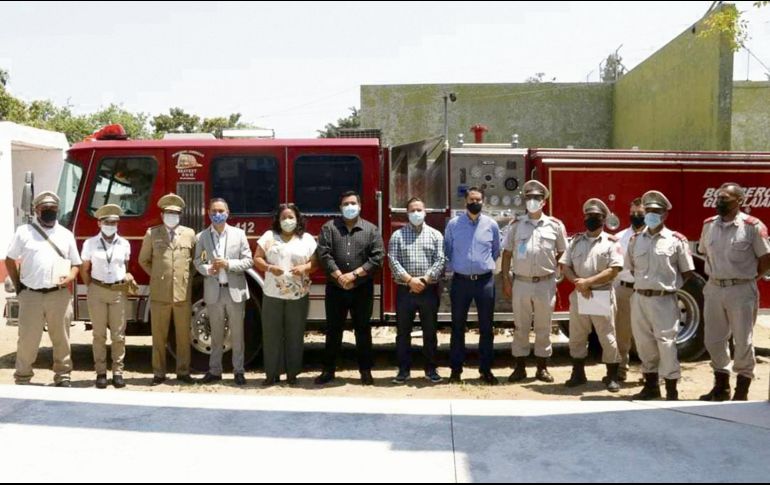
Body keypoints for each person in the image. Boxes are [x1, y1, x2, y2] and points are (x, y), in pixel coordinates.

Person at [698, 183, 770, 401]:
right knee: (713, 339)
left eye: (725, 198)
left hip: (741, 289)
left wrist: (749, 277)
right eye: (718, 198)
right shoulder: (708, 225)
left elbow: (765, 259)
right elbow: (703, 251)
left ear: (739, 201)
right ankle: (721, 386)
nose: (720, 202)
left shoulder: (752, 226)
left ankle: (742, 390)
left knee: (743, 341)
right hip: (714, 288)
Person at [5, 191, 81, 387]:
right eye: (45, 208)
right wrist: (18, 286)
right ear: (36, 210)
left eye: (53, 208)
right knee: (27, 340)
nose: (49, 211)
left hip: (59, 296)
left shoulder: (66, 234)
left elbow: (76, 264)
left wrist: (71, 277)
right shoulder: (23, 232)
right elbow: (9, 259)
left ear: (58, 210)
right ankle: (23, 376)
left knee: (62, 339)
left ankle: (63, 375)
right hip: (31, 295)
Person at [625, 190, 694, 401]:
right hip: (639, 298)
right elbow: (630, 267)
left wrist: (669, 288)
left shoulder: (676, 240)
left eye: (656, 211)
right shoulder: (636, 239)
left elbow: (688, 272)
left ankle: (672, 390)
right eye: (649, 211)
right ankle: (651, 386)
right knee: (644, 344)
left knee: (667, 345)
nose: (651, 215)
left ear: (665, 215)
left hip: (664, 300)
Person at [315, 191, 384, 386]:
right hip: (335, 288)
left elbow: (377, 258)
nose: (350, 207)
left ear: (360, 206)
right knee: (333, 330)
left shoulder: (371, 230)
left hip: (361, 288)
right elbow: (324, 254)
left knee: (363, 330)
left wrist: (354, 275)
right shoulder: (329, 228)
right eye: (346, 204)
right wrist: (339, 276)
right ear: (340, 207)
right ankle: (328, 370)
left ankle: (365, 371)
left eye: (353, 203)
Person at [501, 180, 567, 383]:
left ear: (543, 202)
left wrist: (557, 274)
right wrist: (506, 279)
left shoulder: (555, 226)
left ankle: (542, 368)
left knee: (543, 327)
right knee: (520, 326)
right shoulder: (516, 225)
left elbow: (563, 252)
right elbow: (507, 253)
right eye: (529, 198)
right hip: (521, 282)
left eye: (536, 198)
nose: (532, 201)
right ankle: (519, 367)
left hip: (545, 283)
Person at [560, 198, 624, 393]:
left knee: (607, 337)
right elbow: (565, 266)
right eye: (588, 216)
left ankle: (612, 376)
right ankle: (578, 374)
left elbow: (614, 270)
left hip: (600, 294)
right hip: (580, 294)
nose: (591, 219)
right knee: (577, 337)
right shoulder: (575, 241)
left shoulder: (610, 242)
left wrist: (588, 282)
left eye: (595, 216)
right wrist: (578, 283)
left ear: (603, 219)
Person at [254, 203, 317, 386]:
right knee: (271, 334)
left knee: (295, 334)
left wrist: (304, 268)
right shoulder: (269, 236)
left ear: (297, 219)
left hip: (298, 295)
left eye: (291, 217)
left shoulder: (306, 239)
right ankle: (271, 374)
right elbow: (256, 258)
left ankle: (292, 375)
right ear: (278, 220)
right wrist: (269, 267)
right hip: (272, 293)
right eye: (284, 218)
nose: (287, 221)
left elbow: (315, 263)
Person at [444, 187, 501, 385]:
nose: (474, 202)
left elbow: (496, 251)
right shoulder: (453, 224)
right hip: (460, 282)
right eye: (471, 199)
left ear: (483, 202)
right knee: (458, 327)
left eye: (478, 199)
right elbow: (448, 250)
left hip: (485, 282)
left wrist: (481, 265)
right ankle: (455, 371)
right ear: (465, 201)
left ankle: (485, 370)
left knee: (486, 328)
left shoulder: (491, 225)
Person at [139, 193, 197, 386]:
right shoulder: (152, 234)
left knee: (183, 335)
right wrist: (156, 275)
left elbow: (195, 261)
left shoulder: (189, 234)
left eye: (175, 213)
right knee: (159, 335)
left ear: (180, 215)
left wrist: (186, 277)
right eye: (168, 213)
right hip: (160, 293)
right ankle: (159, 372)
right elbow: (143, 260)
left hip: (182, 293)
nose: (172, 216)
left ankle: (183, 371)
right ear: (162, 214)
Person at [194, 198, 254, 386]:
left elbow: (248, 261)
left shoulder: (239, 234)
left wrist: (229, 264)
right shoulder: (202, 236)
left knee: (237, 334)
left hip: (234, 291)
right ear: (208, 213)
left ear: (227, 213)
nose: (217, 214)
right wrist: (206, 269)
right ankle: (215, 370)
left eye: (221, 210)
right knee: (216, 334)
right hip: (213, 291)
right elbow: (197, 261)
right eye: (213, 211)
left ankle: (238, 370)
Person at [388, 197, 446, 384]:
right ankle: (403, 370)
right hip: (405, 290)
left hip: (428, 290)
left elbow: (441, 260)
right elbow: (393, 261)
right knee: (403, 333)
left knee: (430, 332)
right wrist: (410, 280)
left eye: (419, 209)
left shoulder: (436, 235)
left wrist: (425, 280)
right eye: (412, 210)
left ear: (425, 212)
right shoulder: (397, 236)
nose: (416, 213)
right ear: (407, 213)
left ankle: (431, 369)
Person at [80, 204, 131, 389]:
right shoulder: (90, 243)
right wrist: (92, 287)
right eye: (107, 222)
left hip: (118, 291)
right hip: (97, 290)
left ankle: (118, 372)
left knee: (118, 335)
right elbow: (84, 269)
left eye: (114, 222)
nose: (111, 225)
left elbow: (125, 266)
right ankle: (101, 372)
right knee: (99, 335)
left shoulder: (124, 243)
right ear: (99, 223)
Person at [613, 198, 646, 382]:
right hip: (624, 289)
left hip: (646, 291)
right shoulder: (619, 238)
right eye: (633, 212)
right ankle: (620, 368)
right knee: (622, 332)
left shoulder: (655, 236)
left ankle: (648, 371)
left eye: (640, 213)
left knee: (646, 333)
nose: (636, 216)